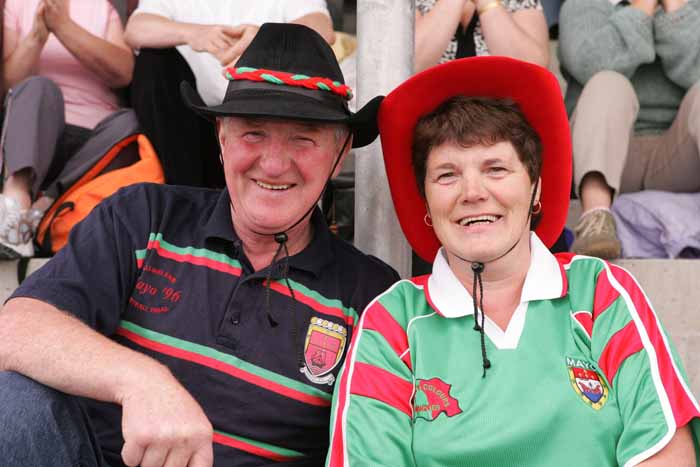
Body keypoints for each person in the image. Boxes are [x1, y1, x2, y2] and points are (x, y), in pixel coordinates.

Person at [0, 23, 398, 467]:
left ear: (340, 153)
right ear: (222, 140)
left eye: (303, 139)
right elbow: (14, 331)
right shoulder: (145, 216)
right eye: (253, 133)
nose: (273, 163)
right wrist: (142, 381)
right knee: (13, 400)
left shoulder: (370, 293)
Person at [327, 56, 700, 466]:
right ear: (428, 206)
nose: (472, 192)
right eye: (447, 175)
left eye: (496, 168)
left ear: (535, 189)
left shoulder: (599, 291)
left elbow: (666, 451)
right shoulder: (391, 323)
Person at [122, 0, 335, 188]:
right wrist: (194, 33)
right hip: (190, 127)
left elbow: (321, 29)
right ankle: (181, 197)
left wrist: (267, 40)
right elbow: (135, 29)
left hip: (266, 118)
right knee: (153, 61)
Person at [558, 0, 700, 259]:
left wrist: (676, 13)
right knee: (607, 82)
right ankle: (595, 221)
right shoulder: (583, 5)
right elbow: (590, 64)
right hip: (609, 156)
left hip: (679, 158)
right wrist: (641, 9)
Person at [0, 0, 136, 258]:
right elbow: (8, 82)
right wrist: (39, 34)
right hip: (35, 130)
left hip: (95, 141)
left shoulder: (102, 8)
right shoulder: (16, 5)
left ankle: (42, 209)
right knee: (38, 87)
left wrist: (63, 26)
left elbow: (125, 72)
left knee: (131, 123)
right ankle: (16, 204)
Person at [414, 0, 549, 72]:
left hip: (502, 115)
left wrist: (487, 4)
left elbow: (532, 71)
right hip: (428, 116)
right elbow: (412, 65)